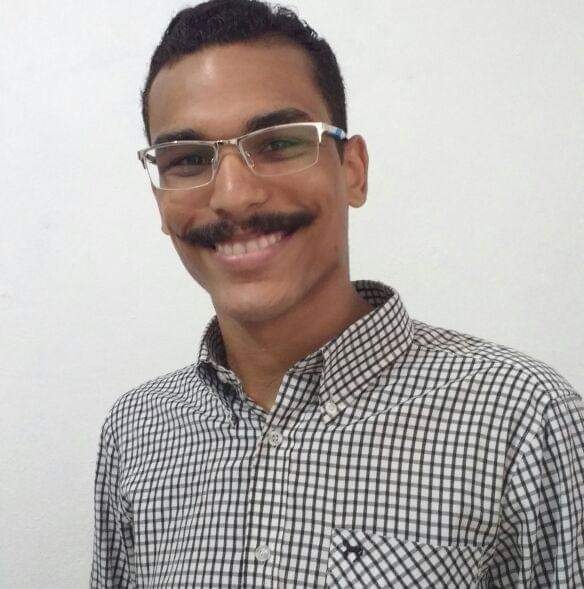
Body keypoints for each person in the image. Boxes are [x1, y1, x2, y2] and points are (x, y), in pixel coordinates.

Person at [91, 1, 584, 586]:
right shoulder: (135, 432)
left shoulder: (525, 422)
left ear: (353, 170)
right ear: (159, 200)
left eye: (278, 143)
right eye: (189, 159)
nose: (233, 195)